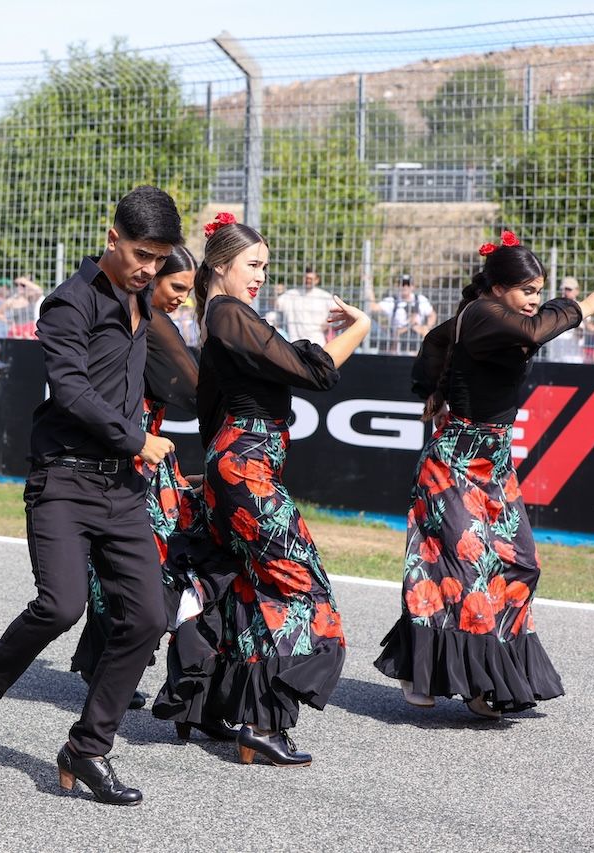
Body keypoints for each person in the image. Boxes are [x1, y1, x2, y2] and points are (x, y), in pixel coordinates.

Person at [0, 186, 180, 806]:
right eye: (141, 254)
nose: (149, 269)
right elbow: (71, 392)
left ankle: (87, 749)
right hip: (64, 482)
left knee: (148, 618)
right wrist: (137, 438)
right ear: (112, 238)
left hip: (122, 488)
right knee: (61, 605)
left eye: (159, 259)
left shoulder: (144, 301)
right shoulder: (68, 303)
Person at [373, 231, 594, 718]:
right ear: (498, 288)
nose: (535, 300)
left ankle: (490, 677)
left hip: (495, 463)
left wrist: (436, 389)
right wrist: (581, 306)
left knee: (522, 563)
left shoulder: (495, 319)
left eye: (539, 291)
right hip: (453, 463)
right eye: (527, 290)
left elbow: (438, 341)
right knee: (465, 570)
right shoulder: (484, 313)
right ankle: (423, 670)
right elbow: (533, 333)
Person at [194, 212, 370, 768]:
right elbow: (311, 372)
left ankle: (238, 715)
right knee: (301, 586)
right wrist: (359, 328)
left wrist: (215, 471)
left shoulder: (223, 319)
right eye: (252, 265)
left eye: (265, 267)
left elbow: (211, 408)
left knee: (254, 589)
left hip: (240, 468)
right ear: (220, 265)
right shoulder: (229, 313)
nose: (261, 276)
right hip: (246, 471)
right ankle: (261, 723)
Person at [67, 245, 208, 715]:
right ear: (152, 278)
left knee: (133, 569)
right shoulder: (147, 319)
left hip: (143, 456)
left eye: (189, 291)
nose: (182, 298)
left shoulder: (147, 318)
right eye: (176, 287)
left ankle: (106, 667)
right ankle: (111, 669)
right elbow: (195, 389)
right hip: (126, 454)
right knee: (140, 568)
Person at [375, 274, 437, 355]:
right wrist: (367, 284)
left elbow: (432, 314)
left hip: (418, 336)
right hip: (398, 338)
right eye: (402, 284)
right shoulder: (392, 301)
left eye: (408, 284)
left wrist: (427, 327)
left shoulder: (420, 299)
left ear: (412, 287)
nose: (405, 287)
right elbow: (373, 307)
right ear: (397, 286)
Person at [274, 266, 333, 346]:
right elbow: (276, 304)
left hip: (317, 343)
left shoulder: (325, 296)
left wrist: (328, 322)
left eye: (311, 279)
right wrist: (276, 293)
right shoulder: (291, 294)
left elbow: (338, 311)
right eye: (306, 278)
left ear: (317, 280)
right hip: (295, 342)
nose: (308, 281)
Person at [544, 277, 584, 364]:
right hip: (553, 359)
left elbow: (581, 334)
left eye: (568, 289)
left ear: (577, 291)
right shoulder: (554, 307)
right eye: (563, 289)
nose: (565, 292)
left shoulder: (582, 308)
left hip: (572, 359)